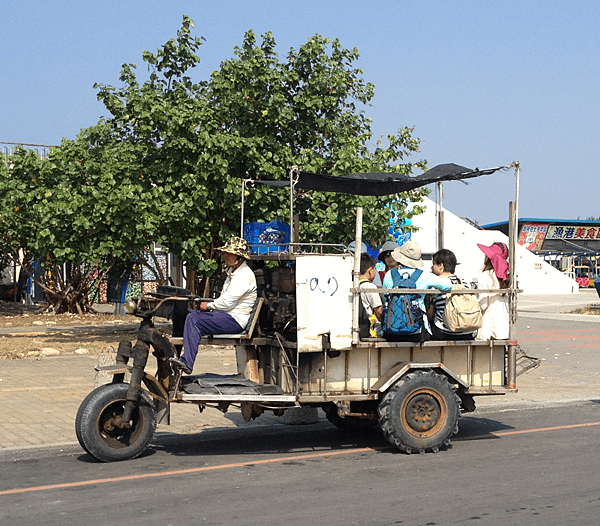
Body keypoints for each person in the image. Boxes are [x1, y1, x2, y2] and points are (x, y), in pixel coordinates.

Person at [171, 237, 257, 374]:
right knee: (181, 314)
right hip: (225, 315)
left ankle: (186, 362)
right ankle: (174, 358)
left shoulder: (244, 275)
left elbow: (227, 302)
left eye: (230, 253)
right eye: (226, 253)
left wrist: (209, 305)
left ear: (239, 257)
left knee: (194, 320)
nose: (226, 256)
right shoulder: (233, 272)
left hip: (235, 320)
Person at [382, 241, 452, 342]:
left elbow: (385, 297)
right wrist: (431, 290)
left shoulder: (389, 275)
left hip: (391, 331)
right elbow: (448, 285)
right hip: (418, 332)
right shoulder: (425, 276)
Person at [428, 249, 475, 341]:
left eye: (433, 264)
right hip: (466, 331)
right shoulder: (463, 281)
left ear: (441, 265)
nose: (432, 267)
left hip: (443, 331)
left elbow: (430, 313)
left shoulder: (435, 283)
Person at [475, 241, 509, 340]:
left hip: (489, 328)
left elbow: (483, 304)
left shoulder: (484, 276)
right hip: (505, 327)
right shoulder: (508, 276)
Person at [358, 254, 383, 338]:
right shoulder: (370, 287)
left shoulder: (353, 284)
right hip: (368, 331)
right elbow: (379, 311)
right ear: (370, 270)